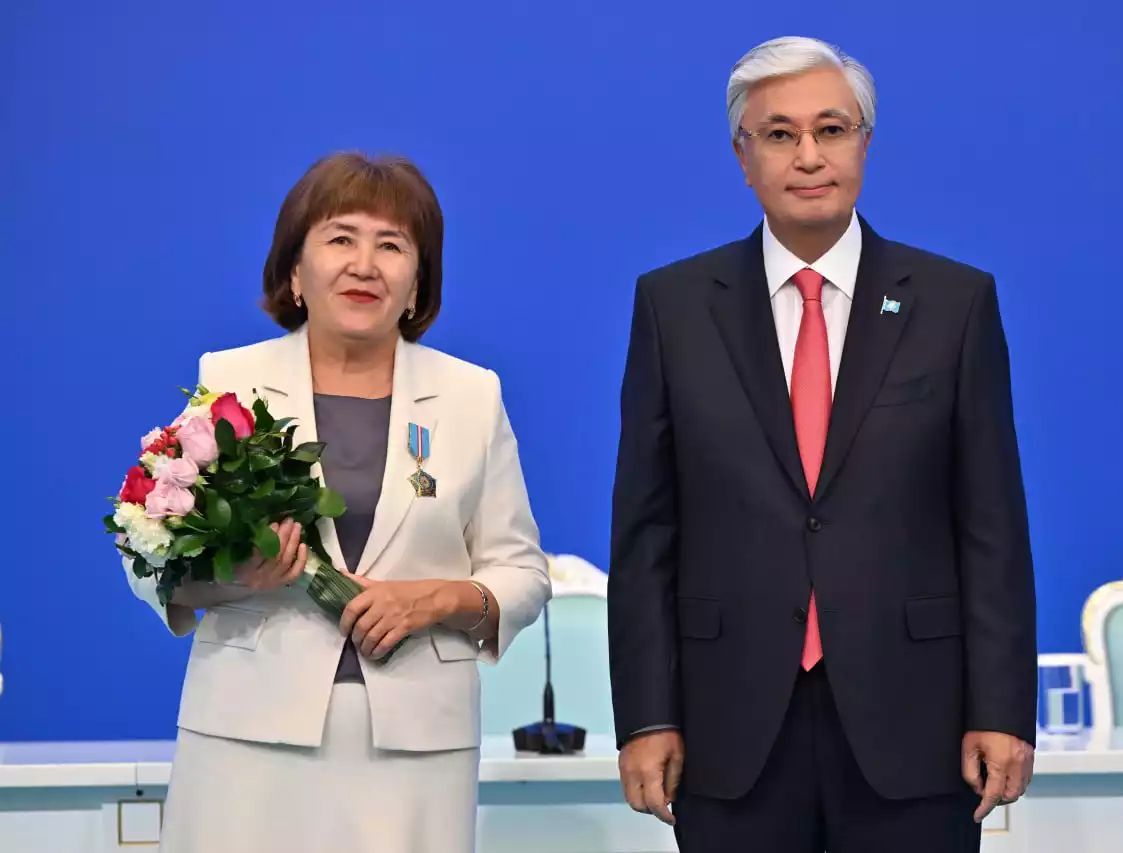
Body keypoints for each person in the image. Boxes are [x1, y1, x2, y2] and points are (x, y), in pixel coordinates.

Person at [608, 36, 1037, 852]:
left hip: (916, 721)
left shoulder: (954, 303)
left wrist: (1003, 710)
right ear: (742, 157)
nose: (808, 155)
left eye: (831, 130)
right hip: (728, 725)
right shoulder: (674, 306)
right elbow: (645, 534)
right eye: (779, 134)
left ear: (864, 144)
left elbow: (992, 527)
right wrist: (647, 717)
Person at [123, 152, 551, 853]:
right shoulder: (231, 381)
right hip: (247, 736)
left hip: (415, 747)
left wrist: (434, 599)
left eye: (392, 246)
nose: (364, 264)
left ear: (417, 284)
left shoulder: (472, 396)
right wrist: (238, 578)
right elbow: (150, 556)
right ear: (295, 271)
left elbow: (523, 573)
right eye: (341, 238)